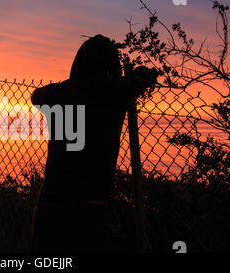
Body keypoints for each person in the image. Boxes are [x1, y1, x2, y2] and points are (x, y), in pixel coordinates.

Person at [30, 34, 158, 253]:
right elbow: (147, 76)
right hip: (91, 207)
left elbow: (35, 96)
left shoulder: (58, 94)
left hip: (50, 202)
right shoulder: (116, 93)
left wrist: (71, 86)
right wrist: (126, 78)